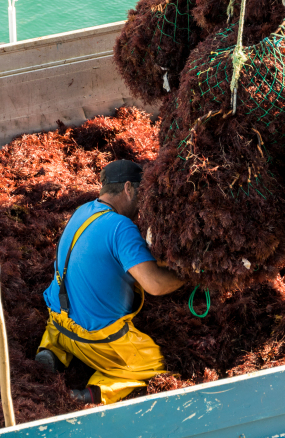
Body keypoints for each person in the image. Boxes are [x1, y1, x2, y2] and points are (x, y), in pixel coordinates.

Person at [34, 159, 183, 404]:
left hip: (59, 323)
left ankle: (53, 352)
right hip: (97, 340)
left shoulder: (83, 210)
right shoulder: (121, 227)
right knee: (152, 363)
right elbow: (155, 285)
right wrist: (189, 275)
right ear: (128, 188)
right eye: (142, 193)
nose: (144, 203)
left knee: (65, 315)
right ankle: (93, 393)